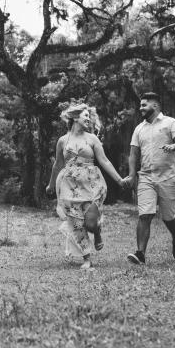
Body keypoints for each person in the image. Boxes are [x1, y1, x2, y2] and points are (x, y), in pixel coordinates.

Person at [47, 103, 128, 270]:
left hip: (91, 184)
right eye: (86, 116)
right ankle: (87, 259)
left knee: (90, 224)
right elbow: (57, 165)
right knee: (77, 223)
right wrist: (50, 184)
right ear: (75, 117)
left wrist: (119, 180)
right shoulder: (63, 140)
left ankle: (97, 232)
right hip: (69, 186)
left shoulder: (92, 139)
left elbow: (104, 161)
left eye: (89, 116)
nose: (89, 119)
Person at [125, 92, 175, 264]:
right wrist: (131, 176)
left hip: (168, 176)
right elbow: (133, 155)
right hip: (146, 177)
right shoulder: (139, 128)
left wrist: (173, 145)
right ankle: (140, 254)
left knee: (168, 217)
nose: (141, 108)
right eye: (140, 105)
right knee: (145, 215)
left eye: (144, 105)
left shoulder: (170, 122)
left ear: (155, 105)